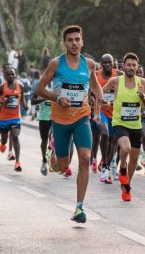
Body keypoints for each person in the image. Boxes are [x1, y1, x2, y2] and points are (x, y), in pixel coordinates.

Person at [35, 25, 103, 224]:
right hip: (60, 120)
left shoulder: (89, 64)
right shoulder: (56, 64)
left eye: (77, 39)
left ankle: (79, 207)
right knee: (62, 167)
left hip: (82, 117)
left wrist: (99, 95)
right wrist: (57, 98)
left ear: (82, 41)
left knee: (85, 158)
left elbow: (94, 84)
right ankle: (53, 152)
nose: (74, 43)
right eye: (70, 40)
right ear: (64, 43)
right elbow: (40, 89)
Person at [102, 53, 145, 202]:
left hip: (135, 124)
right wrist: (99, 101)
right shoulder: (115, 81)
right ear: (123, 66)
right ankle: (122, 165)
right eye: (128, 65)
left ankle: (126, 186)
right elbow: (99, 92)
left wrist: (143, 97)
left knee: (134, 159)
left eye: (134, 65)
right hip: (119, 123)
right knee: (126, 148)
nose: (131, 67)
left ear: (137, 66)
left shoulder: (142, 82)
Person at [0, 67, 29, 172]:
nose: (11, 76)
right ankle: (2, 143)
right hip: (3, 119)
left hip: (15, 118)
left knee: (15, 136)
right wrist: (2, 103)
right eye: (8, 75)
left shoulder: (20, 86)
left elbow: (21, 98)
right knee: (4, 139)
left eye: (12, 74)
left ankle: (17, 162)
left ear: (15, 75)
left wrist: (25, 106)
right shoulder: (1, 87)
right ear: (5, 76)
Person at [94, 54, 118, 184]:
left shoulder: (119, 75)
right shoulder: (96, 75)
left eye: (110, 62)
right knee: (105, 134)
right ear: (101, 63)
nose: (107, 65)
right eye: (105, 62)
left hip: (115, 113)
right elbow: (90, 94)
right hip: (101, 111)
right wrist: (96, 101)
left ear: (113, 63)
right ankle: (105, 168)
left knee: (113, 142)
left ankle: (106, 165)